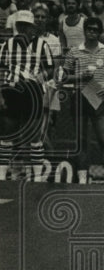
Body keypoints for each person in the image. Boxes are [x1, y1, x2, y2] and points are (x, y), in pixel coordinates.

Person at [63, 17, 104, 184]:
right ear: (84, 31)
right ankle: (83, 179)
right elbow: (62, 77)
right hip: (79, 97)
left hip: (97, 98)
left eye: (95, 30)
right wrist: (79, 76)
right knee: (82, 141)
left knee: (103, 140)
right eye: (89, 29)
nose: (92, 32)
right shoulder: (74, 51)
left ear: (99, 32)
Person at [0, 10, 54, 181]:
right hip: (12, 91)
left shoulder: (42, 45)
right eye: (20, 26)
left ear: (33, 28)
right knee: (8, 134)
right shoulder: (6, 45)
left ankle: (37, 179)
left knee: (35, 136)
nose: (23, 29)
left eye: (26, 26)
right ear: (17, 27)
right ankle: (2, 176)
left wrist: (42, 76)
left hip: (33, 92)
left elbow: (51, 69)